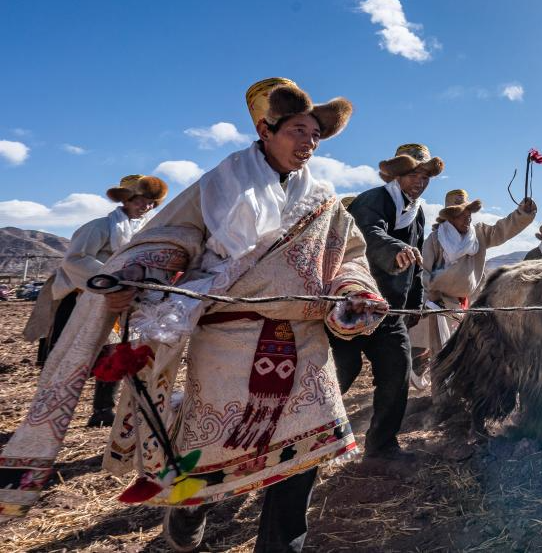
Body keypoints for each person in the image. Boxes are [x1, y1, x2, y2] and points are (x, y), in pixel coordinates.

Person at [0, 78, 388, 553]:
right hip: (230, 341)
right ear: (267, 130)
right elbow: (170, 238)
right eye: (298, 131)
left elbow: (348, 255)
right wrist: (137, 273)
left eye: (315, 135)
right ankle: (190, 506)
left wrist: (354, 288)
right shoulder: (219, 185)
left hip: (306, 340)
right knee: (216, 450)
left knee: (305, 457)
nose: (308, 142)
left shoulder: (326, 201)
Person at [24, 174, 167, 427]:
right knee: (71, 355)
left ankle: (102, 410)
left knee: (115, 352)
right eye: (141, 200)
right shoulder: (99, 227)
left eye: (150, 202)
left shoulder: (147, 231)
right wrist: (114, 279)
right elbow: (75, 260)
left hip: (121, 300)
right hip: (83, 297)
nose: (146, 206)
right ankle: (45, 415)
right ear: (127, 200)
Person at [331, 143, 443, 463]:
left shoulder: (416, 212)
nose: (420, 181)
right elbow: (368, 235)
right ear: (396, 176)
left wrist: (416, 301)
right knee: (342, 371)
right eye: (412, 174)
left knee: (397, 371)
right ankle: (308, 438)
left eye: (425, 175)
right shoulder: (372, 200)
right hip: (352, 307)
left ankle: (381, 446)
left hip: (390, 311)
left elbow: (416, 258)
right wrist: (395, 249)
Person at [413, 190, 536, 371]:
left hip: (470, 303)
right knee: (441, 353)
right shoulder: (435, 240)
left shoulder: (479, 234)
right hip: (438, 305)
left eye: (468, 212)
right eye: (461, 214)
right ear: (449, 217)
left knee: (469, 353)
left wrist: (522, 214)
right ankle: (440, 395)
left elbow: (502, 229)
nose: (467, 217)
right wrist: (430, 298)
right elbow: (423, 272)